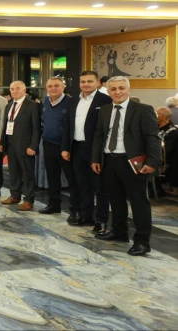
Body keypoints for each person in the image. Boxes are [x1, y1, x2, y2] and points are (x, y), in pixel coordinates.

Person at [91, 76, 161, 256]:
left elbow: (152, 138)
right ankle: (119, 231)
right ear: (108, 91)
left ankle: (142, 242)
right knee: (115, 200)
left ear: (129, 89)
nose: (118, 92)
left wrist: (152, 162)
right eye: (113, 89)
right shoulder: (105, 110)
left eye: (121, 88)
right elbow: (99, 135)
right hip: (109, 160)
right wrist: (95, 159)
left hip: (133, 162)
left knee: (139, 203)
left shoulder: (143, 110)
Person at [61, 70, 113, 233]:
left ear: (97, 82)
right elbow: (67, 125)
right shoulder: (73, 100)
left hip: (97, 150)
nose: (86, 84)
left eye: (90, 81)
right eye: (83, 81)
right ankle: (86, 215)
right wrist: (65, 147)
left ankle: (101, 220)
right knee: (82, 184)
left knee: (100, 187)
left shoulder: (105, 100)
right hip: (76, 147)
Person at [0, 81, 41, 210]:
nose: (14, 91)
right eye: (12, 89)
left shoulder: (32, 105)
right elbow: (6, 125)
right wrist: (2, 142)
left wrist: (33, 146)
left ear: (24, 90)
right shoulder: (9, 105)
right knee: (14, 172)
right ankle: (15, 195)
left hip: (25, 146)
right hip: (11, 144)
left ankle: (28, 200)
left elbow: (36, 128)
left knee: (27, 173)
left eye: (17, 88)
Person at [38, 77, 70, 214]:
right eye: (50, 86)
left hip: (65, 147)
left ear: (63, 87)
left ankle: (76, 209)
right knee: (52, 177)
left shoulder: (70, 102)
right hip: (48, 144)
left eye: (56, 85)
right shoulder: (45, 101)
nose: (53, 88)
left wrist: (66, 147)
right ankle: (54, 205)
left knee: (72, 179)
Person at [156, 107, 177, 196]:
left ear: (163, 117)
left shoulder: (172, 131)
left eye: (156, 115)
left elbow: (166, 151)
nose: (154, 116)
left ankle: (156, 188)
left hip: (164, 160)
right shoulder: (156, 127)